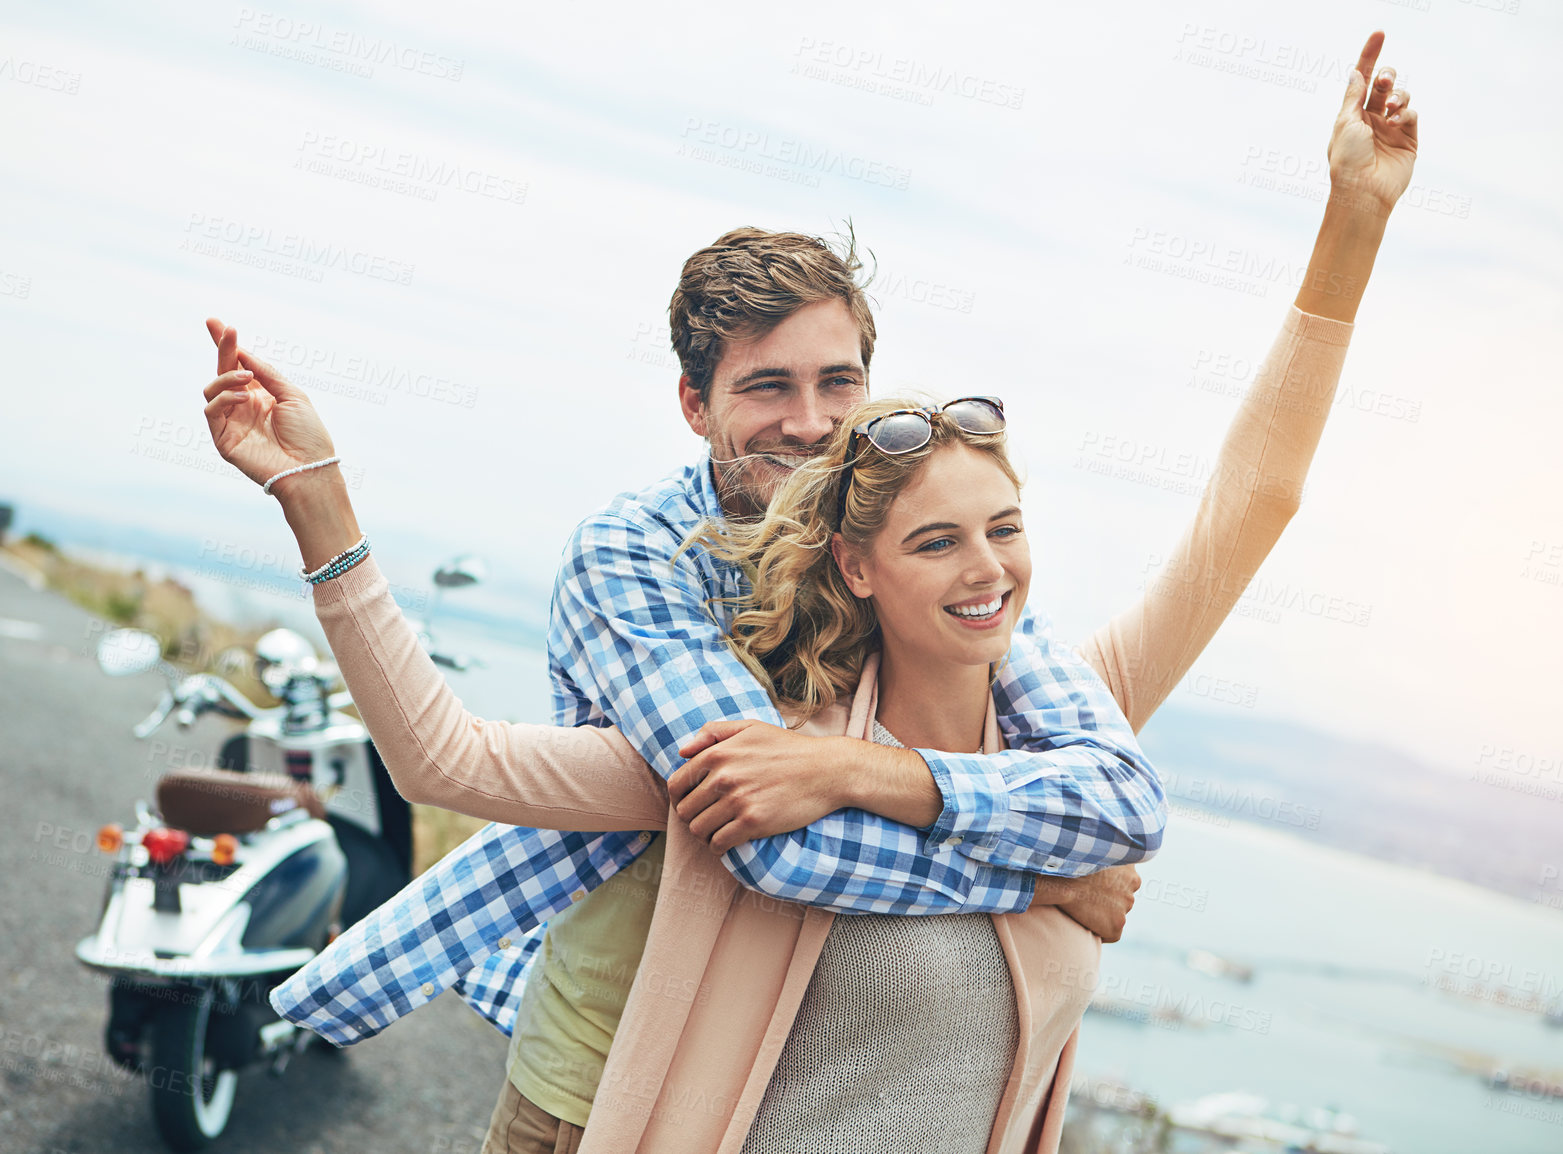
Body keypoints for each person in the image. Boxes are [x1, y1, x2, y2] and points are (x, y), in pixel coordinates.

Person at [201, 27, 1415, 1152]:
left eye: (841, 381)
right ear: (696, 404)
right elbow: (762, 831)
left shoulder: (982, 653)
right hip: (610, 1086)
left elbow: (1238, 521)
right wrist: (1045, 872)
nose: (812, 421)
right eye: (767, 387)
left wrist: (1350, 224)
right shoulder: (640, 557)